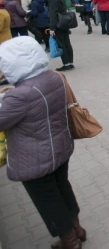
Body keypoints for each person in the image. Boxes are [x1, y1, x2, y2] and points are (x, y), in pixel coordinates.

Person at [0, 37, 86, 249]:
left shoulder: (19, 97)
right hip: (60, 148)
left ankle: (70, 242)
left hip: (35, 159)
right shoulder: (54, 77)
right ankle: (77, 229)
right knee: (62, 188)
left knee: (48, 200)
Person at [47, 0, 75, 72]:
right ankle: (70, 63)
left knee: (61, 43)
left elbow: (53, 13)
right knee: (67, 43)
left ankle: (66, 64)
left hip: (58, 23)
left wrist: (52, 28)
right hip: (64, 22)